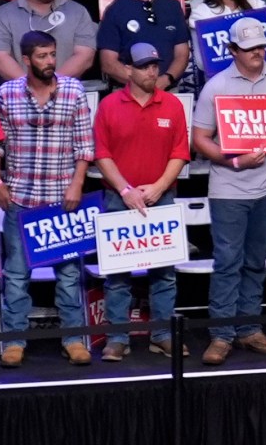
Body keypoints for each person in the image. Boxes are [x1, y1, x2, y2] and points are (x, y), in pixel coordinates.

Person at [191, 15, 266, 364]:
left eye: (262, 45)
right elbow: (199, 139)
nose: (259, 51)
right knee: (227, 262)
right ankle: (222, 334)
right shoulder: (216, 86)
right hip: (228, 190)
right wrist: (233, 162)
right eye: (250, 47)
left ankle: (249, 329)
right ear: (233, 50)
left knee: (255, 262)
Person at [0, 30, 96, 366]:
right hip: (20, 198)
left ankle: (73, 339)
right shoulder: (7, 93)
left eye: (52, 54)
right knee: (17, 276)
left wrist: (77, 184)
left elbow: (84, 145)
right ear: (26, 59)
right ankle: (14, 341)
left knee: (68, 276)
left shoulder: (73, 90)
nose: (50, 61)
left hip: (61, 199)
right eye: (42, 56)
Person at [93, 42, 188, 361]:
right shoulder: (109, 105)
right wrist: (125, 190)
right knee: (118, 275)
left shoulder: (172, 104)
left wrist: (160, 187)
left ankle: (161, 334)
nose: (152, 70)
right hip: (119, 197)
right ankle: (118, 337)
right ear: (128, 70)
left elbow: (180, 153)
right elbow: (101, 154)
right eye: (144, 65)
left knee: (164, 272)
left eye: (155, 65)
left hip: (161, 198)